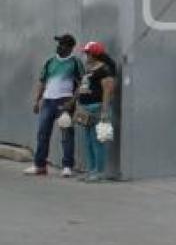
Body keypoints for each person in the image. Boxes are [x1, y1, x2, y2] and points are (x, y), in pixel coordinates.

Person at [25, 34, 85, 177]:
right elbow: (42, 82)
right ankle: (40, 166)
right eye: (58, 44)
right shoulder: (50, 62)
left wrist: (72, 101)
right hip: (48, 101)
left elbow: (83, 84)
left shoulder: (75, 63)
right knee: (42, 134)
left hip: (65, 101)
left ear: (70, 47)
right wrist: (37, 100)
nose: (58, 46)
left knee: (66, 134)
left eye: (62, 44)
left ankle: (67, 166)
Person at [76, 42, 116, 183]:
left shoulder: (104, 70)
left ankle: (99, 172)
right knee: (88, 141)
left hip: (97, 107)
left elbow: (108, 90)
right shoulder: (90, 69)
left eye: (87, 53)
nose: (85, 55)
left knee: (97, 141)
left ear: (94, 54)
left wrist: (105, 110)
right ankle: (91, 170)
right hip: (86, 108)